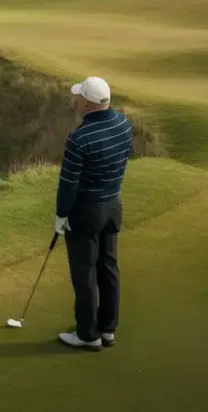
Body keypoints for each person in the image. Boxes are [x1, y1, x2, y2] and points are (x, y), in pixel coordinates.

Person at [54, 76, 132, 351]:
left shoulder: (80, 137)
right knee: (108, 267)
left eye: (78, 97)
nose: (76, 101)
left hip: (86, 212)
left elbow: (69, 182)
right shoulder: (124, 123)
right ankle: (108, 328)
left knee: (85, 273)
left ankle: (88, 335)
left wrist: (61, 214)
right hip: (113, 206)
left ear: (87, 102)